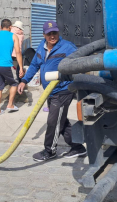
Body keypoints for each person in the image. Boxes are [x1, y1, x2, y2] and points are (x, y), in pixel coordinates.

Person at [18, 21, 87, 161]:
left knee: (53, 122)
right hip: (50, 92)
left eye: (54, 33)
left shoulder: (67, 47)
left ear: (58, 32)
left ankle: (50, 151)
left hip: (63, 90)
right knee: (61, 121)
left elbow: (80, 63)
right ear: (44, 35)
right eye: (49, 34)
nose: (52, 36)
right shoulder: (41, 48)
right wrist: (24, 80)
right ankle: (78, 147)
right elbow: (34, 65)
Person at [0, 19, 24, 117]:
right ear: (10, 27)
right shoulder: (13, 36)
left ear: (0, 27)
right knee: (14, 83)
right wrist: (21, 67)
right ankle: (10, 105)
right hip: (7, 65)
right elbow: (18, 52)